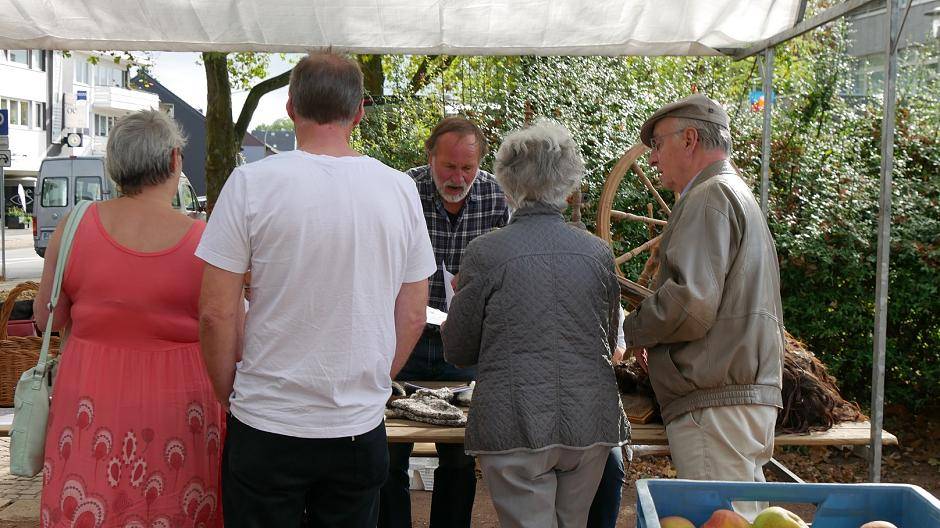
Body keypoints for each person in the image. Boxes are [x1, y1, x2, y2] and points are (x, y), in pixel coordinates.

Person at [197, 53, 436, 527]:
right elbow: (413, 313)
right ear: (359, 113)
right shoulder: (400, 190)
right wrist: (370, 378)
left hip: (268, 420)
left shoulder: (250, 184)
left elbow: (215, 313)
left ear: (290, 107)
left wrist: (228, 392)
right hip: (355, 427)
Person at [35, 109, 224, 526]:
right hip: (181, 403)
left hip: (89, 397)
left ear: (115, 166)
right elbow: (223, 325)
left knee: (89, 498)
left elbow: (46, 313)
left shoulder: (73, 227)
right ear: (175, 160)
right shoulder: (204, 241)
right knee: (176, 504)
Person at [441, 119, 630, 528]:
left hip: (515, 422)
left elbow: (457, 349)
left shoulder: (485, 253)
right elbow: (608, 334)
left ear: (506, 181)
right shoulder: (598, 253)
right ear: (569, 181)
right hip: (589, 422)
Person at [622, 94, 785, 493]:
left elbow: (691, 304)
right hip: (737, 398)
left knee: (721, 517)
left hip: (714, 403)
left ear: (690, 139)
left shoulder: (708, 195)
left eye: (658, 145)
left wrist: (634, 329)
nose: (654, 159)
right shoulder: (736, 192)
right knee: (742, 518)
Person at [379, 116, 510, 528]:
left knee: (459, 455)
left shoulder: (495, 196)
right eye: (448, 166)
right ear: (429, 156)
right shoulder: (402, 191)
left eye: (467, 168)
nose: (458, 177)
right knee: (389, 453)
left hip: (465, 340)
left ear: (480, 164)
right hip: (404, 335)